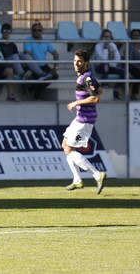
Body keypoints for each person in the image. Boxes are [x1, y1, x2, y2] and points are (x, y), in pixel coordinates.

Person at [61, 50, 107, 194]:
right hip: (79, 118)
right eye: (75, 60)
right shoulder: (85, 77)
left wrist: (77, 102)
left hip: (85, 120)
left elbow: (95, 98)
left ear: (86, 63)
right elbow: (100, 90)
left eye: (79, 61)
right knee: (65, 145)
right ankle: (77, 180)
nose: (76, 63)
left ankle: (97, 174)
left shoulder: (86, 78)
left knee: (69, 150)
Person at [23, 22, 60, 99]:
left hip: (43, 66)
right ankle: (36, 91)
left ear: (42, 31)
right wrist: (36, 67)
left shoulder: (45, 40)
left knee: (55, 76)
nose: (37, 32)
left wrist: (55, 68)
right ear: (31, 31)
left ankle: (32, 88)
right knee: (40, 76)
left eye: (39, 30)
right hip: (32, 67)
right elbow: (28, 54)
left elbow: (55, 54)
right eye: (34, 30)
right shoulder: (28, 40)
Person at [92, 29, 124, 99]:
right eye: (105, 36)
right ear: (102, 37)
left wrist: (112, 64)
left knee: (124, 73)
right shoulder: (98, 46)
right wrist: (106, 48)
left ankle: (115, 89)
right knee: (105, 66)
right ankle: (105, 85)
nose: (107, 38)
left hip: (111, 66)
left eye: (108, 37)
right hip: (100, 66)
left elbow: (118, 58)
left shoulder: (113, 45)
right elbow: (103, 59)